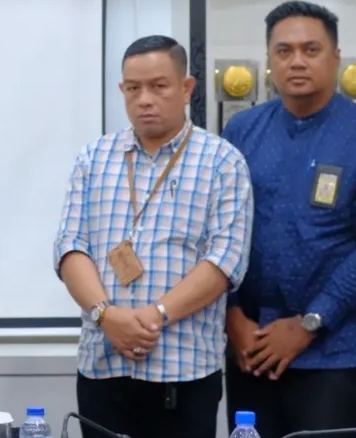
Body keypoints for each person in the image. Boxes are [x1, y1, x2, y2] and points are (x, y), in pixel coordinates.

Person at [52, 35, 253, 438]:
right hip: (103, 365)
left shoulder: (222, 161)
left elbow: (225, 261)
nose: (144, 99)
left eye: (159, 86)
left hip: (183, 370)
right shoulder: (93, 158)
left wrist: (154, 315)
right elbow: (70, 248)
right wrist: (107, 316)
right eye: (133, 88)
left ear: (186, 88)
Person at [223, 1, 356, 438]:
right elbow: (219, 232)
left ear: (336, 57)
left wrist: (311, 322)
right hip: (250, 350)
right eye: (284, 51)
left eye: (310, 50)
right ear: (269, 59)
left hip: (335, 355)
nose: (297, 61)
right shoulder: (241, 132)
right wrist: (232, 316)